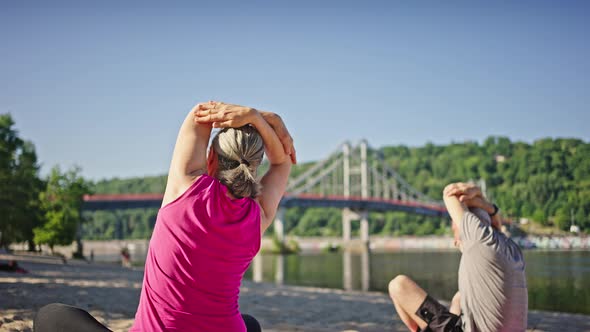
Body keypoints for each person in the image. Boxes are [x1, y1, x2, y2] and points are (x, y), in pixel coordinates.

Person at [34, 101, 295, 332]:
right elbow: (283, 163)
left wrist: (257, 117)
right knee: (249, 324)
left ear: (211, 157)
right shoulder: (258, 216)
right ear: (254, 167)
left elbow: (200, 113)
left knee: (51, 316)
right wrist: (260, 120)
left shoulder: (187, 187)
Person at [387, 182, 528, 332]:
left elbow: (450, 194)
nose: (455, 241)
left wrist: (474, 191)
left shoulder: (478, 240)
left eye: (455, 229)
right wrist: (486, 205)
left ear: (468, 228)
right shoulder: (511, 247)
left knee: (398, 285)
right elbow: (496, 223)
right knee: (459, 298)